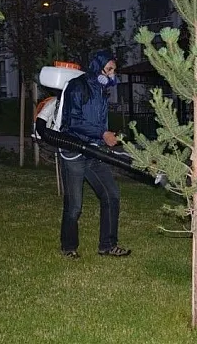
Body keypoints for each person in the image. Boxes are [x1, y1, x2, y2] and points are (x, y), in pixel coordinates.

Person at [57, 50, 130, 258]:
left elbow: (98, 122)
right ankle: (68, 248)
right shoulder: (77, 87)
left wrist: (105, 137)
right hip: (74, 152)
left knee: (111, 195)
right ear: (98, 67)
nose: (112, 74)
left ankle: (107, 245)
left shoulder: (100, 91)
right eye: (109, 69)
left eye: (114, 70)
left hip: (94, 152)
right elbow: (73, 121)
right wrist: (102, 133)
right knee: (75, 205)